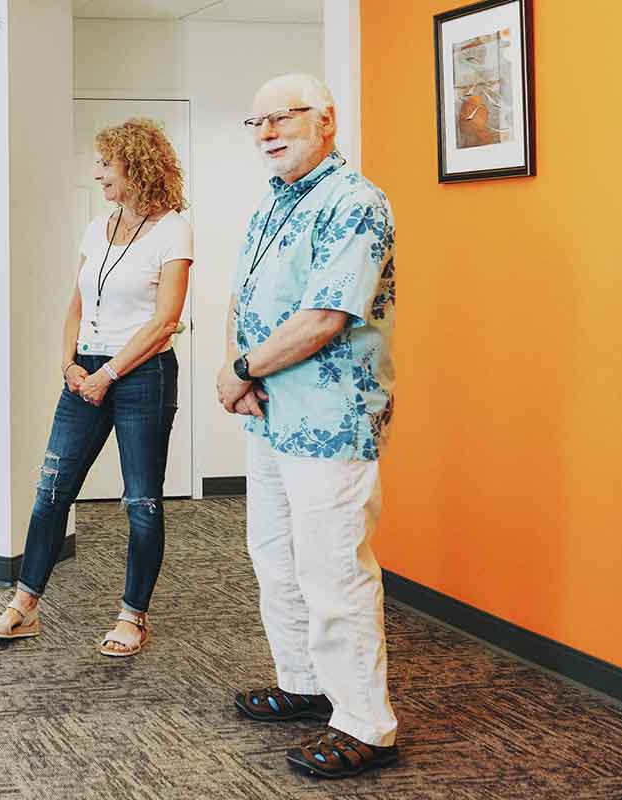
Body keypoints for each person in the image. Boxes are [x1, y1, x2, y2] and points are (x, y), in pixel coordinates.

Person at [218, 73, 400, 779]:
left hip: (329, 417)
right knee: (275, 555)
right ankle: (303, 680)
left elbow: (326, 317)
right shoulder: (274, 205)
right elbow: (244, 296)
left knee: (333, 568)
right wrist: (237, 373)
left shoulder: (356, 203)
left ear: (325, 120)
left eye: (281, 118)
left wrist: (239, 369)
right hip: (269, 414)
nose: (266, 132)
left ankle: (366, 722)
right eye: (256, 122)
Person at [0, 118, 193, 657]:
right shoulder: (97, 227)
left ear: (136, 165)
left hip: (143, 374)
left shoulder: (173, 230)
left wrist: (108, 374)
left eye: (104, 164)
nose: (97, 174)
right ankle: (24, 606)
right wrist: (68, 364)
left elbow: (166, 319)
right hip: (85, 372)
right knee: (51, 489)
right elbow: (76, 302)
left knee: (141, 501)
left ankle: (132, 617)